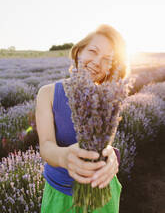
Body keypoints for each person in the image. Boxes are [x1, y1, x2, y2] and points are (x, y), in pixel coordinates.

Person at [35, 24, 129, 213]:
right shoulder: (48, 93)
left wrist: (111, 156)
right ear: (79, 51)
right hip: (60, 192)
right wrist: (64, 157)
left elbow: (104, 143)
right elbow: (45, 145)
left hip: (101, 193)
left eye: (107, 60)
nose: (96, 62)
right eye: (93, 51)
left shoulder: (108, 98)